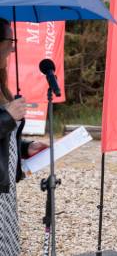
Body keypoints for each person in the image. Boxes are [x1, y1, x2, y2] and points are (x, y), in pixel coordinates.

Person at [0, 18, 48, 256]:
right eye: (10, 40)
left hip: (5, 185)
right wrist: (7, 116)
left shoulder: (2, 82)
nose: (13, 47)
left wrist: (25, 148)